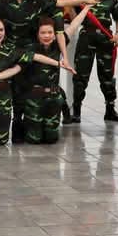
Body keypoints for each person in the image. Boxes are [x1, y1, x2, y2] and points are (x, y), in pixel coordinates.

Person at [0, 19, 66, 145]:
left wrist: (60, 64)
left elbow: (36, 56)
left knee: (2, 140)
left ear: (5, 33)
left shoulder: (12, 50)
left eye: (1, 30)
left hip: (3, 97)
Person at [71, 0, 118, 123]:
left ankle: (110, 109)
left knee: (107, 76)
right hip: (86, 38)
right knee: (81, 75)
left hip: (105, 41)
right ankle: (77, 110)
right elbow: (73, 14)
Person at [20, 14, 83, 144]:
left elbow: (73, 26)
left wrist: (86, 8)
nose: (47, 36)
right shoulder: (30, 48)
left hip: (52, 98)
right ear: (37, 34)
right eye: (43, 33)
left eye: (50, 32)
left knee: (51, 139)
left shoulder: (57, 45)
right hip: (34, 99)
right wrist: (60, 64)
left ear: (55, 34)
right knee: (34, 140)